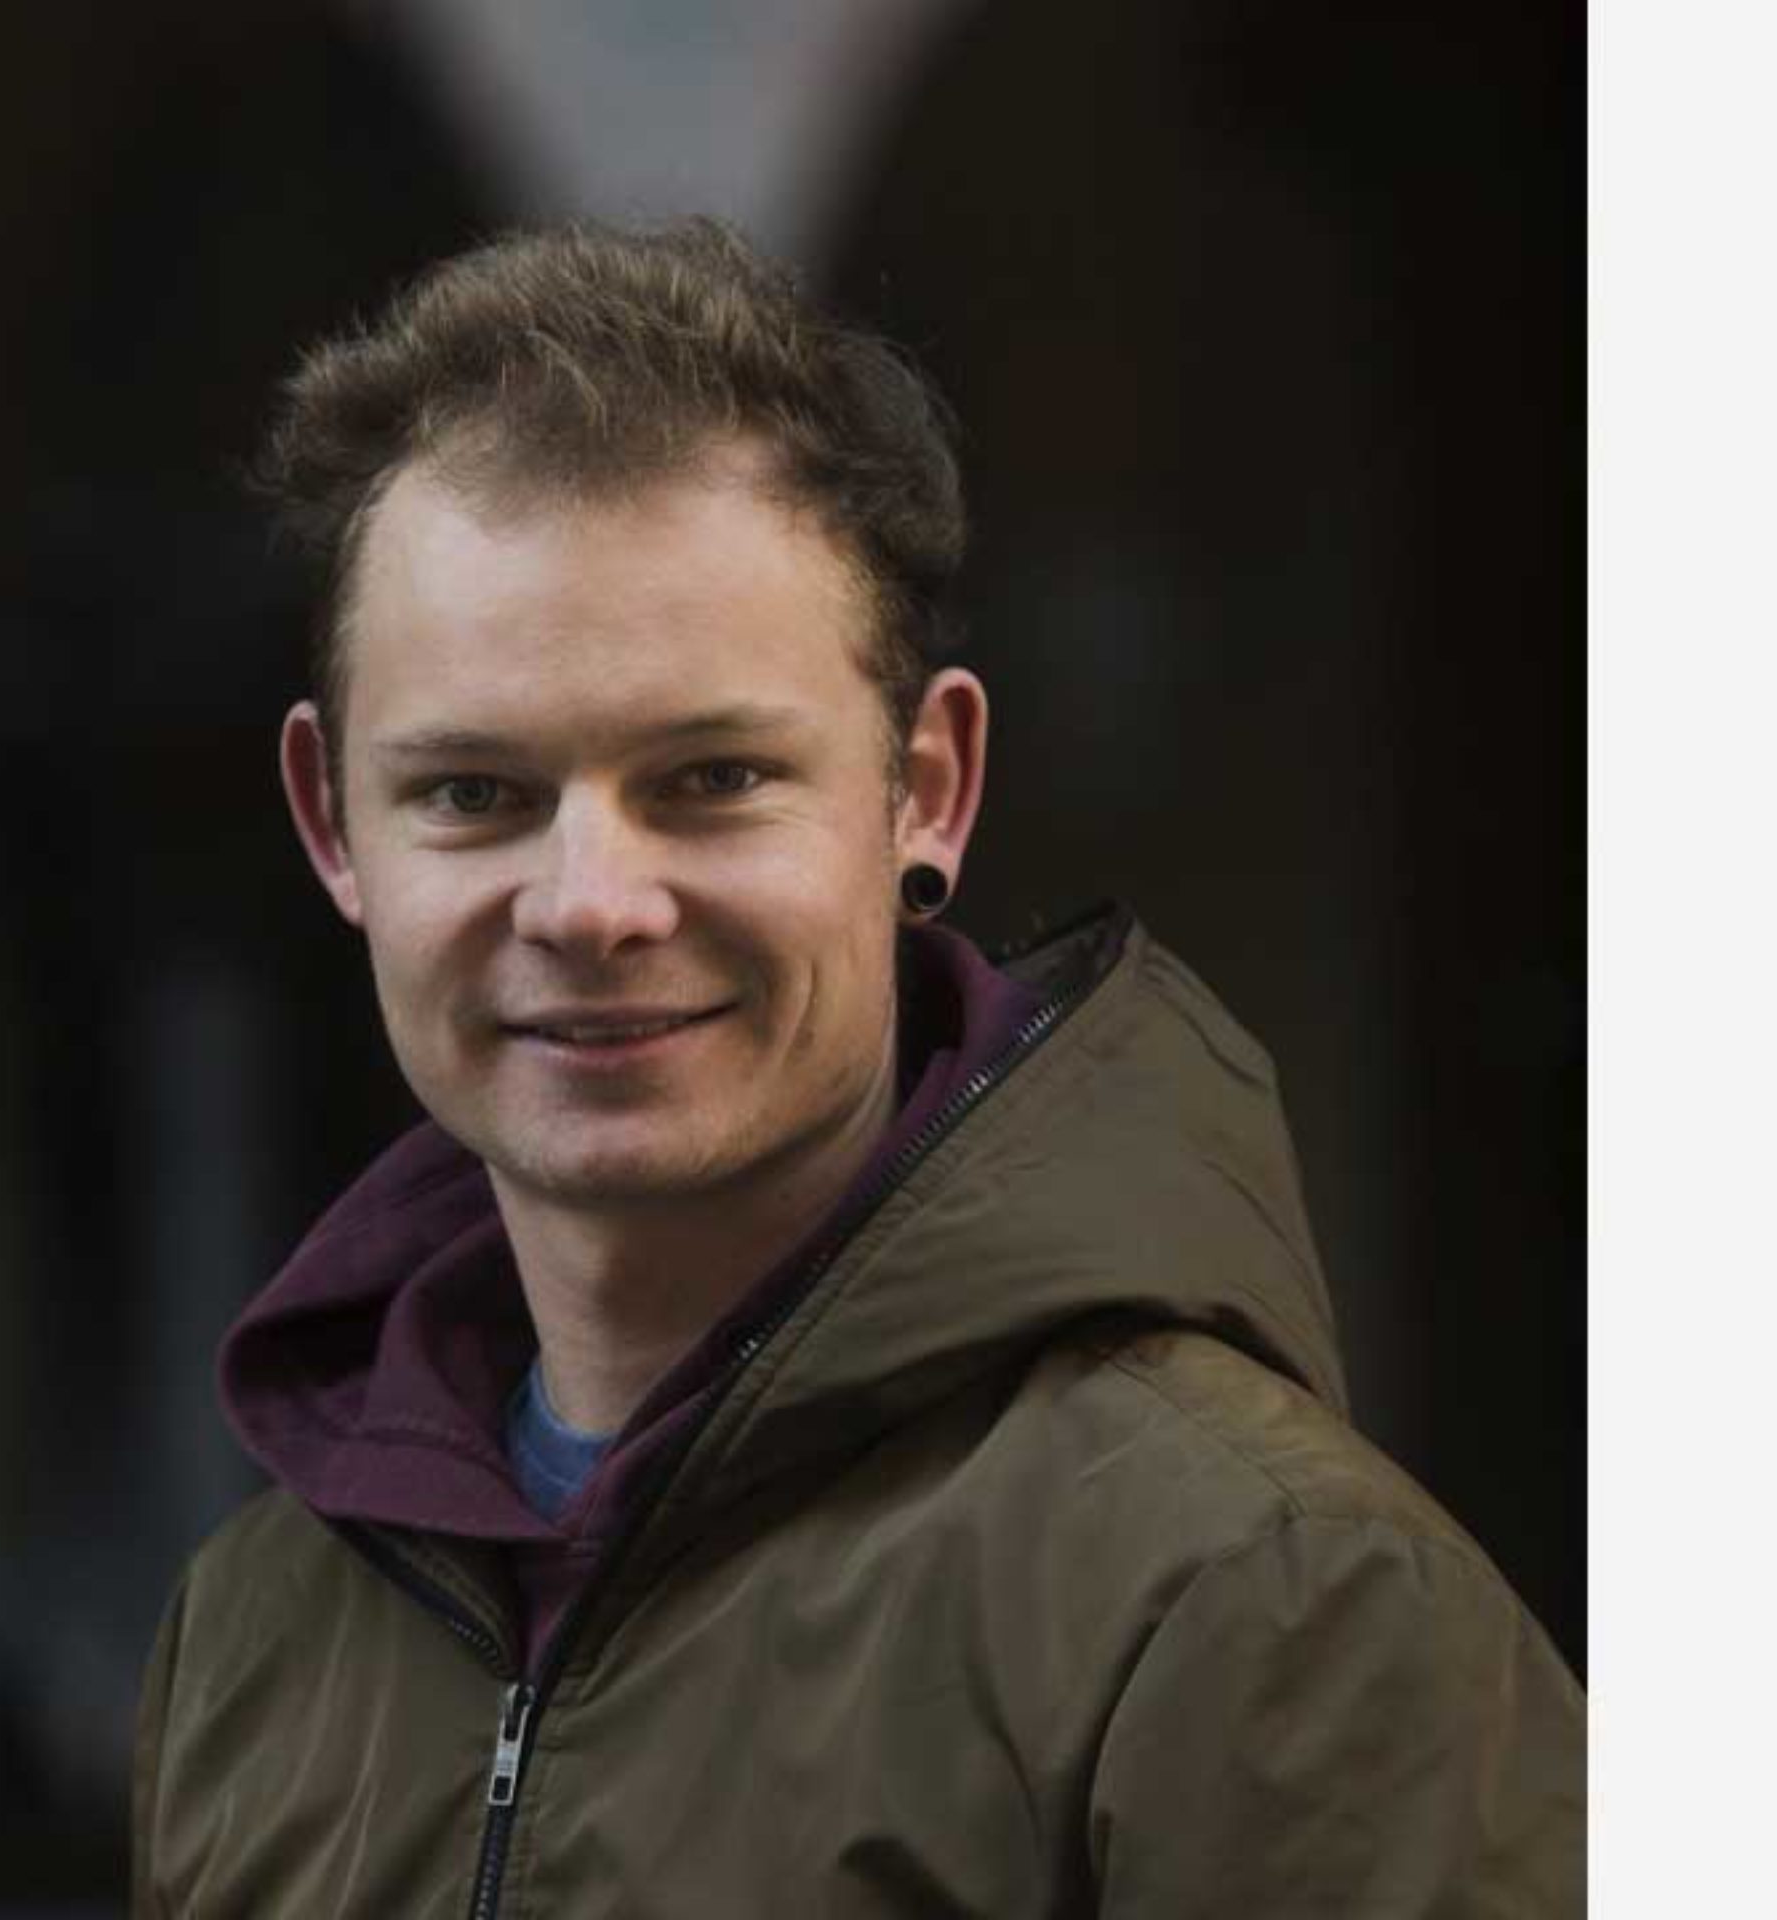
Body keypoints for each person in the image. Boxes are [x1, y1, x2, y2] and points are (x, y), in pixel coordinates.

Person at [129, 218, 1584, 1916]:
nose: (590, 904)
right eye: (473, 794)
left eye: (713, 779)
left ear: (928, 789)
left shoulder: (1265, 1601)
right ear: (333, 825)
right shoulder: (251, 1643)